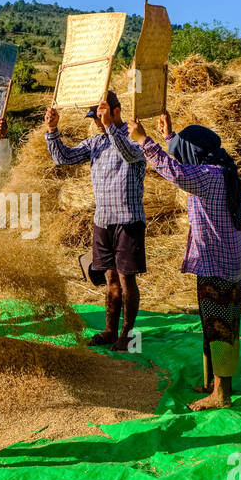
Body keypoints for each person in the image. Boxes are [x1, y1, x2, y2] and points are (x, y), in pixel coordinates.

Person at [128, 112, 241, 410]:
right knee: (223, 326)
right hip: (231, 262)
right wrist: (169, 136)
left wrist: (144, 141)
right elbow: (181, 162)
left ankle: (221, 394)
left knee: (218, 327)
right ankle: (213, 381)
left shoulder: (207, 176)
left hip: (216, 266)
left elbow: (176, 172)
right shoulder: (221, 169)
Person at [44, 90, 146, 351]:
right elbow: (62, 158)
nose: (98, 123)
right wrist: (53, 130)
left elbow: (129, 154)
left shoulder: (135, 136)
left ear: (116, 111)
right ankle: (110, 330)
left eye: (101, 117)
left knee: (126, 280)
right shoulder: (95, 142)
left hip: (128, 220)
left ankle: (128, 335)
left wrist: (112, 128)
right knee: (110, 278)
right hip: (103, 221)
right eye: (95, 119)